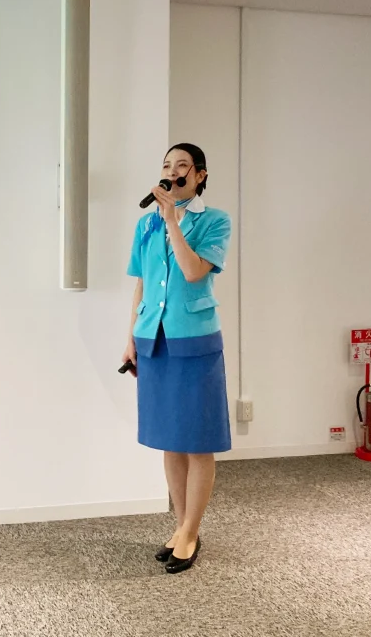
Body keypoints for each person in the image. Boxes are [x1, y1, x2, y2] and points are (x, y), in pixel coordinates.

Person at [120, 142, 232, 575]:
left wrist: (173, 221)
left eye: (182, 166)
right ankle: (182, 526)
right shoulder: (146, 225)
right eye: (167, 165)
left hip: (195, 340)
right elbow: (141, 285)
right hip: (155, 339)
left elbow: (192, 271)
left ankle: (190, 529)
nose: (173, 171)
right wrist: (131, 338)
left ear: (200, 175)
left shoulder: (214, 221)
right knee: (170, 438)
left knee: (197, 440)